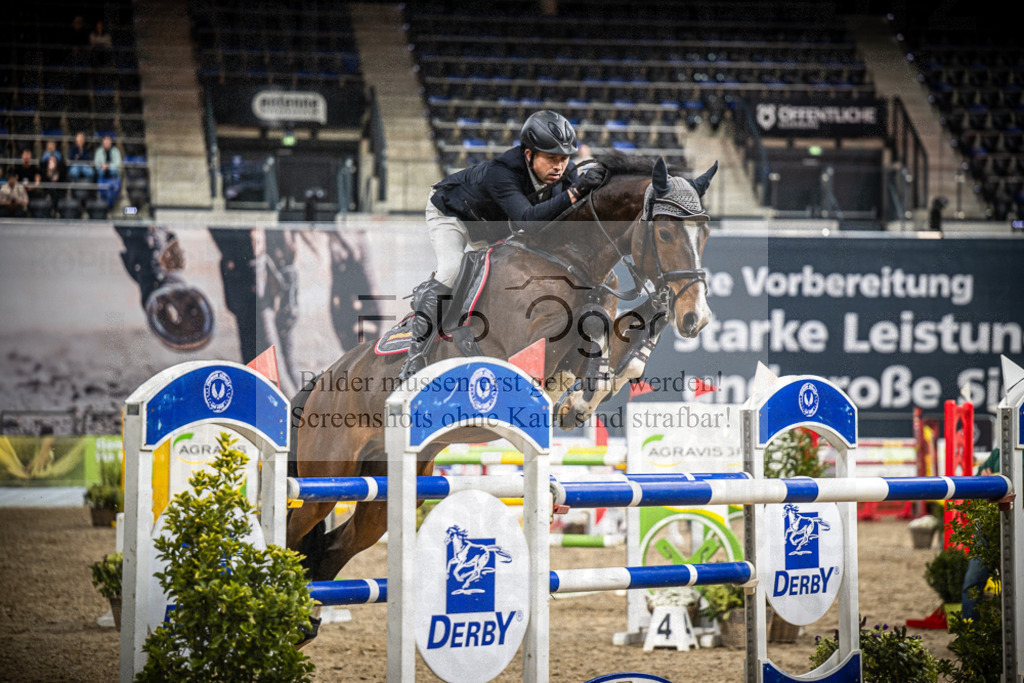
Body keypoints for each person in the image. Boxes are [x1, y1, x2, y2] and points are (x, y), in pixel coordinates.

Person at [398, 109, 607, 381]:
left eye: (565, 159)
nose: (559, 167)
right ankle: (416, 355)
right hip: (454, 214)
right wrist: (575, 192)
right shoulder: (503, 172)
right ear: (529, 155)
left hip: (495, 224)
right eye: (551, 159)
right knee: (451, 269)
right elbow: (529, 222)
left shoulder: (564, 175)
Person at [961, 446, 1000, 621]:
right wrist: (990, 482)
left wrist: (996, 480)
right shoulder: (999, 452)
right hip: (988, 525)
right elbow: (977, 479)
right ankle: (969, 631)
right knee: (973, 581)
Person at [93, 135, 122, 208]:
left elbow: (118, 163)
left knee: (115, 170)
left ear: (111, 143)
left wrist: (108, 166)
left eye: (108, 142)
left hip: (112, 171)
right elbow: (96, 163)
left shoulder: (116, 151)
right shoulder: (99, 151)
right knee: (100, 171)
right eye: (105, 142)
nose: (107, 144)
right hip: (102, 171)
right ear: (102, 143)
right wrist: (103, 166)